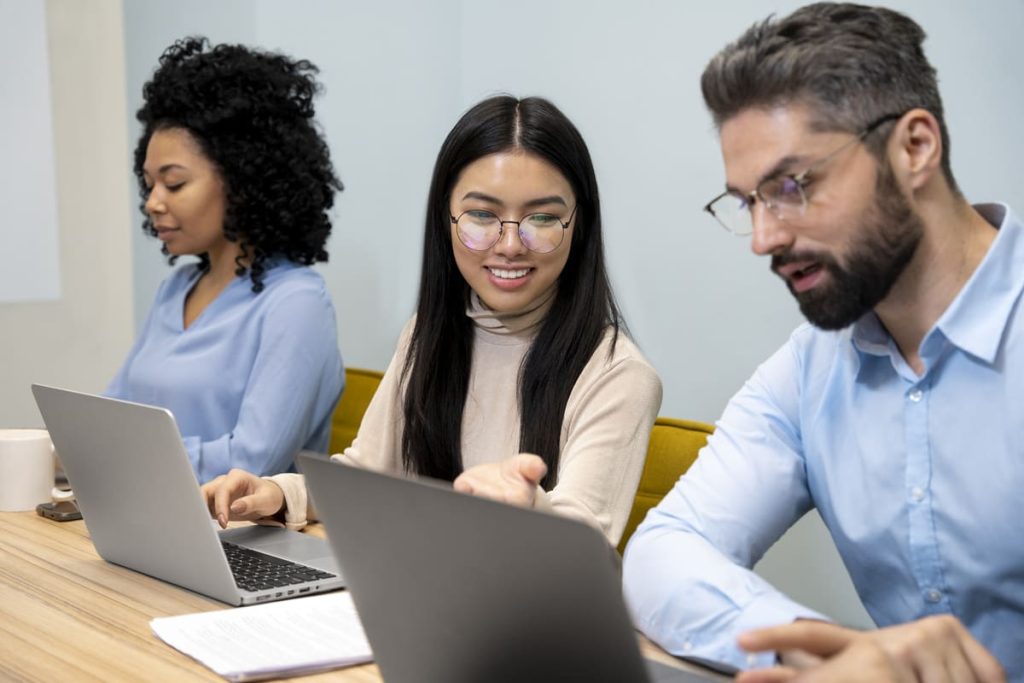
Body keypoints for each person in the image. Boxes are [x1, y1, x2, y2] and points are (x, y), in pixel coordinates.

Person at [622, 3, 1017, 681]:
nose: (763, 238)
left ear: (914, 147)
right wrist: (828, 651)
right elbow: (664, 551)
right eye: (749, 201)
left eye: (790, 186)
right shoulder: (813, 367)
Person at [203, 95, 662, 545]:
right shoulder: (430, 332)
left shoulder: (619, 374)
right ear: (446, 219)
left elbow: (583, 539)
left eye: (541, 217)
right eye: (482, 215)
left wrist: (527, 506)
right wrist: (279, 493)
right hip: (422, 593)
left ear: (578, 226)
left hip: (530, 611)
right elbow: (369, 474)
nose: (509, 245)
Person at [107, 38, 344, 483]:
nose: (153, 202)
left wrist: (122, 456)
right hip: (149, 513)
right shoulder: (175, 289)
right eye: (149, 184)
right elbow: (109, 415)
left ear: (242, 180)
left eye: (173, 184)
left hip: (240, 538)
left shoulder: (296, 303)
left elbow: (251, 461)